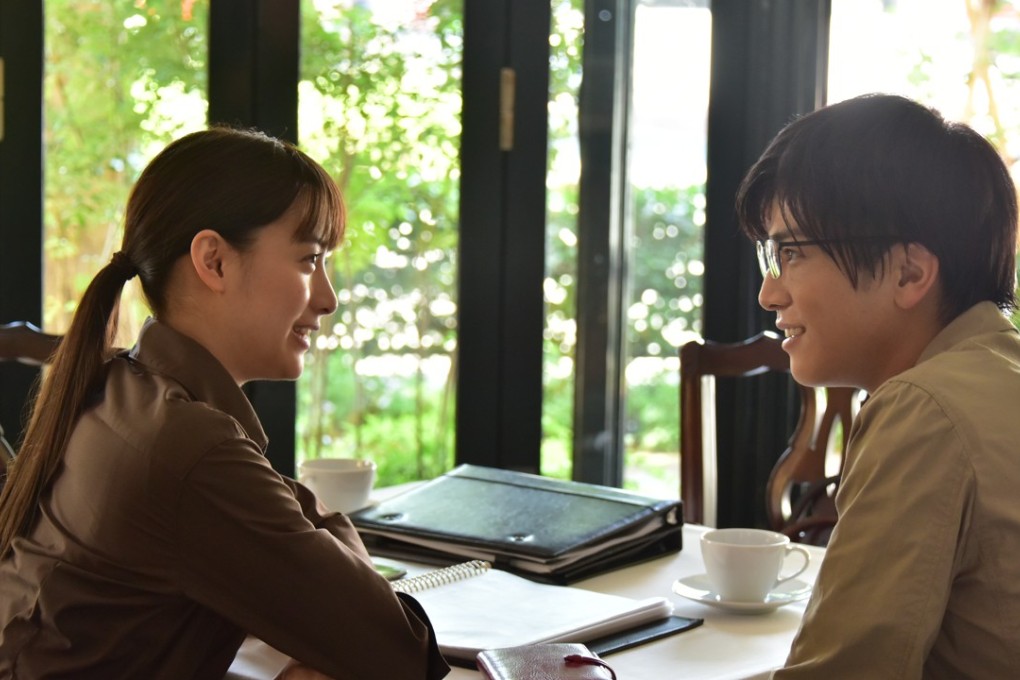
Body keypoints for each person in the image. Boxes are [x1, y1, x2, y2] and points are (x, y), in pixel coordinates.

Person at [0, 127, 450, 679]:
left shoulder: (120, 389)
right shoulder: (190, 448)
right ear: (213, 261)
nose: (328, 299)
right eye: (310, 260)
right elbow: (400, 652)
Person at [736, 93, 1020, 678]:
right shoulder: (997, 371)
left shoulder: (926, 410)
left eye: (791, 252)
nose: (769, 293)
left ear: (910, 272)